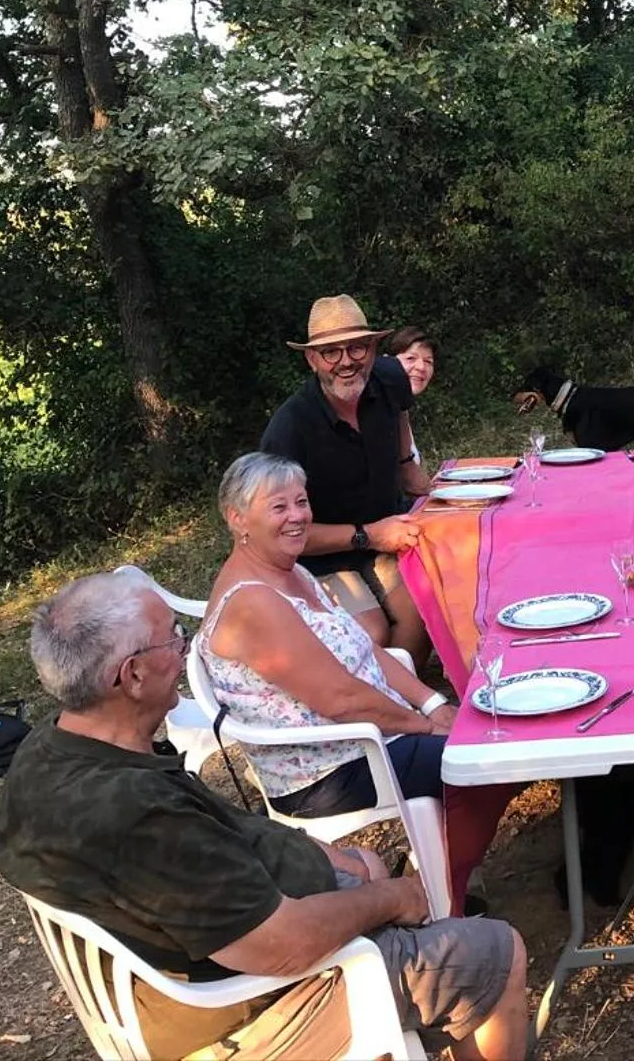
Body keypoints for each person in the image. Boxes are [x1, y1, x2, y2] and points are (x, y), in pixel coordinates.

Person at [0, 572, 526, 1061]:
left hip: (228, 943)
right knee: (496, 953)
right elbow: (283, 946)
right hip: (252, 1007)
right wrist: (391, 899)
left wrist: (336, 863)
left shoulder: (54, 750)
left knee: (366, 864)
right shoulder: (137, 819)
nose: (184, 648)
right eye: (173, 635)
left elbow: (227, 835)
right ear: (130, 676)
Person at [201, 452, 511, 916]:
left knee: (488, 738)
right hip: (328, 770)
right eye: (278, 507)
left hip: (367, 739)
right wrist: (426, 727)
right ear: (237, 518)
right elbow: (341, 699)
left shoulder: (292, 573)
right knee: (490, 758)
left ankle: (434, 872)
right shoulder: (253, 604)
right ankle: (435, 897)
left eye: (302, 503)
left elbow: (364, 652)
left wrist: (431, 705)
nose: (297, 517)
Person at [260, 294, 430, 659]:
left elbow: (400, 409)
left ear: (372, 348)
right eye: (331, 352)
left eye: (356, 348)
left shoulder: (390, 377)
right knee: (370, 632)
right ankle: (380, 707)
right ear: (311, 359)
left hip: (385, 534)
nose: (346, 362)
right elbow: (283, 534)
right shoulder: (289, 430)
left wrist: (405, 462)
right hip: (324, 554)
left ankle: (407, 704)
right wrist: (370, 535)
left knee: (425, 609)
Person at [388, 326, 437, 468]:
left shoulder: (400, 409)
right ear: (386, 362)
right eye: (410, 358)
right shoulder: (377, 412)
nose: (421, 367)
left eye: (428, 361)